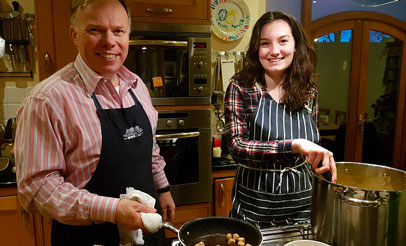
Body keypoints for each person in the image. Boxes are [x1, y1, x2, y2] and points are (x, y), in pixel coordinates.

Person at [14, 0, 175, 245]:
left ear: (128, 35)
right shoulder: (47, 100)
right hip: (85, 237)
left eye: (118, 31)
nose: (109, 41)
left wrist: (163, 189)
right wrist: (111, 210)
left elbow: (149, 148)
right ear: (74, 35)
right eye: (95, 30)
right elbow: (37, 189)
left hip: (146, 232)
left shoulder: (137, 86)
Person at [224, 11, 337, 227]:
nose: (274, 51)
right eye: (265, 43)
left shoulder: (308, 90)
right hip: (255, 212)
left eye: (283, 41)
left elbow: (313, 143)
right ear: (257, 48)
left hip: (303, 210)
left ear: (295, 45)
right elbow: (237, 148)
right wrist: (292, 146)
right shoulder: (241, 88)